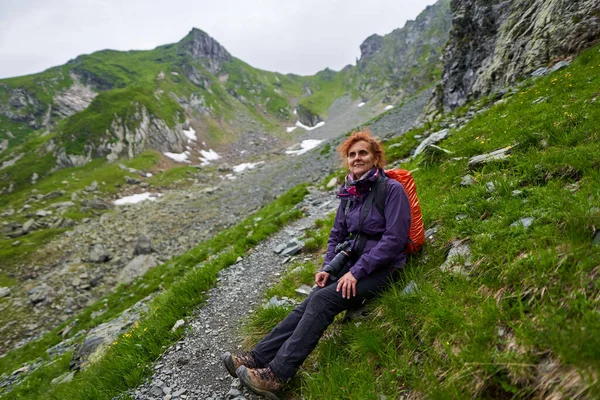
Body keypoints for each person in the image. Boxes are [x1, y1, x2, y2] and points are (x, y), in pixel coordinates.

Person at [221, 130, 411, 399]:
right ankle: (256, 357)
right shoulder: (350, 192)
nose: (357, 158)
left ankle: (277, 375)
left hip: (385, 269)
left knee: (323, 302)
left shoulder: (391, 189)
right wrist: (327, 269)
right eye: (352, 154)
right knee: (312, 299)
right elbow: (336, 236)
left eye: (363, 153)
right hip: (353, 267)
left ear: (376, 157)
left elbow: (394, 240)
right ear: (347, 161)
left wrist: (356, 272)